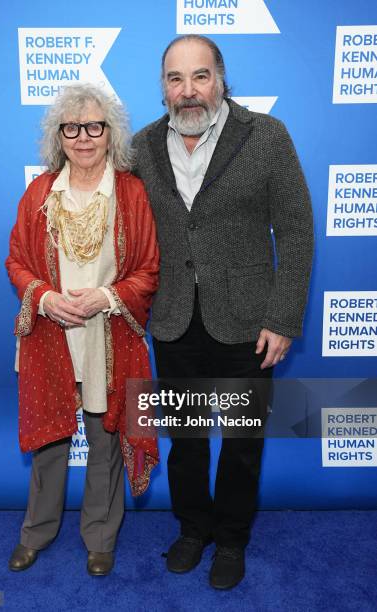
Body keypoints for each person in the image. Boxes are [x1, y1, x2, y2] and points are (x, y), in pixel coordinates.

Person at [132, 35, 314, 589]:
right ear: (163, 86)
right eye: (175, 78)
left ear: (220, 78)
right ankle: (193, 529)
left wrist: (283, 318)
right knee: (184, 441)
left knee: (241, 444)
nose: (188, 91)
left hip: (247, 324)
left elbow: (298, 231)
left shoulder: (265, 136)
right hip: (172, 320)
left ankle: (231, 538)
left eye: (200, 76)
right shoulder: (140, 146)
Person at [5, 83, 159, 576]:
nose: (84, 137)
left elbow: (149, 270)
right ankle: (36, 533)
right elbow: (16, 261)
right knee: (49, 443)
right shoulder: (39, 193)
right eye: (72, 128)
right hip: (50, 334)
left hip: (108, 334)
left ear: (110, 133)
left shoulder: (132, 192)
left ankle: (99, 539)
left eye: (94, 126)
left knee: (105, 439)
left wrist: (106, 297)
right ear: (60, 136)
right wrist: (46, 298)